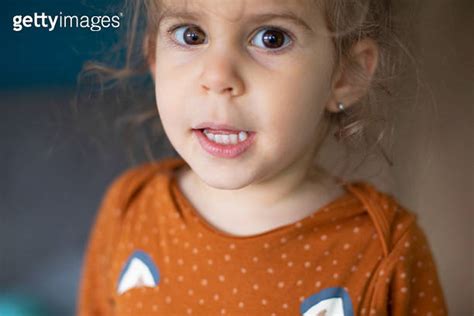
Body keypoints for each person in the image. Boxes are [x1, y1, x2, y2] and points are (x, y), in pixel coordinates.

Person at [77, 0, 448, 315]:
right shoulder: (129, 208)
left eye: (271, 38)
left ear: (344, 75)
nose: (218, 76)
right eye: (191, 35)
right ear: (154, 56)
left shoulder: (386, 251)